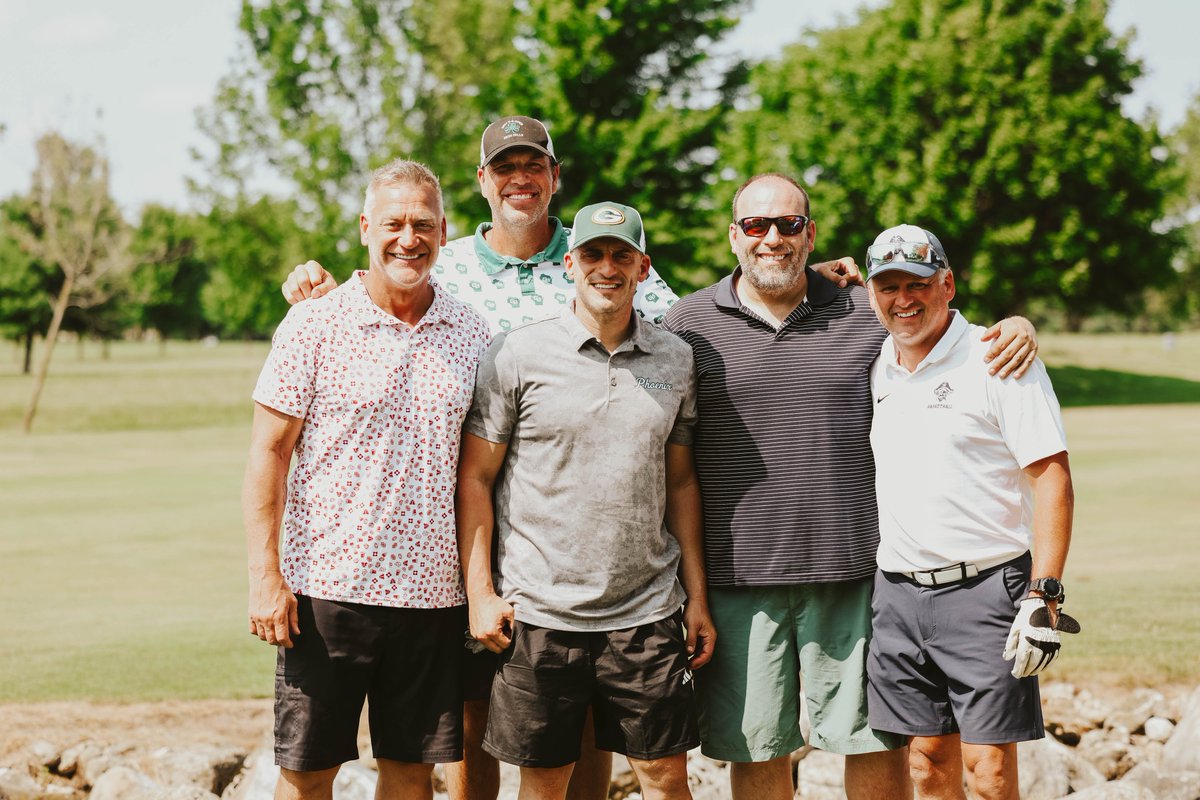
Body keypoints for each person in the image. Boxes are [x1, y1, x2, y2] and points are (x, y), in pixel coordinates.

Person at [277, 117, 862, 800]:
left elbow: (699, 325)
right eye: (505, 168)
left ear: (555, 179)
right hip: (484, 547)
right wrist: (319, 287)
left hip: (602, 557)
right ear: (483, 182)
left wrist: (793, 279)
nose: (519, 179)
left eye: (534, 167)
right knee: (477, 725)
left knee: (578, 734)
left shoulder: (604, 261)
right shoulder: (447, 260)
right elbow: (389, 283)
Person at [661, 174, 1041, 800]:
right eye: (757, 225)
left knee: (870, 743)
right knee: (757, 750)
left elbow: (940, 328)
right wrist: (693, 593)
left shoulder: (863, 312)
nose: (773, 238)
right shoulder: (690, 324)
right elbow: (676, 467)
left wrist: (1017, 325)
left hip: (858, 576)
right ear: (734, 236)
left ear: (810, 234)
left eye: (789, 224)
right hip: (738, 582)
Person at [242, 159, 491, 800]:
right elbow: (268, 454)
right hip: (326, 594)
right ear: (364, 228)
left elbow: (480, 470)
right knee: (307, 772)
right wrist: (265, 578)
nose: (408, 238)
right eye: (394, 223)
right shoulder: (314, 324)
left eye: (423, 224)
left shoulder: (472, 332)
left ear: (444, 231)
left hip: (433, 599)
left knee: (411, 774)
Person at [456, 201, 715, 800]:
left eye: (621, 255)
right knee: (544, 786)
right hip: (540, 612)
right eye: (594, 254)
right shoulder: (515, 354)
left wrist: (696, 597)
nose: (607, 267)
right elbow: (476, 479)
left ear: (643, 267)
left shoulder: (676, 358)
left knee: (666, 779)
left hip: (647, 611)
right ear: (569, 263)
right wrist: (481, 594)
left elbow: (680, 483)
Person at [863, 224, 1077, 800]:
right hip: (899, 595)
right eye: (888, 285)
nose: (903, 298)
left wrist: (1045, 595)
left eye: (918, 282)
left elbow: (1052, 477)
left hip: (986, 589)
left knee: (989, 770)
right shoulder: (876, 357)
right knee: (926, 762)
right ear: (870, 292)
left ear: (947, 283)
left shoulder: (997, 356)